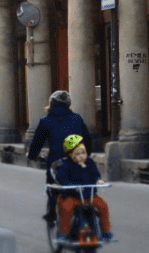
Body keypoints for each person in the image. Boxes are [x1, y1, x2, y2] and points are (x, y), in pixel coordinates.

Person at [27, 89, 92, 219]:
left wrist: (32, 156)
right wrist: (86, 156)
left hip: (57, 160)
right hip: (76, 159)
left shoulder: (46, 121)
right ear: (68, 105)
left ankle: (52, 212)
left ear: (51, 104)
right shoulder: (77, 118)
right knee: (79, 181)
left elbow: (37, 143)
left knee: (52, 184)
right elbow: (88, 140)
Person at [54, 134, 114, 242]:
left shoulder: (90, 163)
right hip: (73, 196)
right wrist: (70, 186)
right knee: (66, 208)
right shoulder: (65, 165)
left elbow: (95, 174)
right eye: (77, 154)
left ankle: (106, 232)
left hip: (89, 196)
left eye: (83, 153)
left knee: (103, 205)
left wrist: (98, 180)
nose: (81, 156)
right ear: (71, 155)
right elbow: (61, 178)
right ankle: (64, 233)